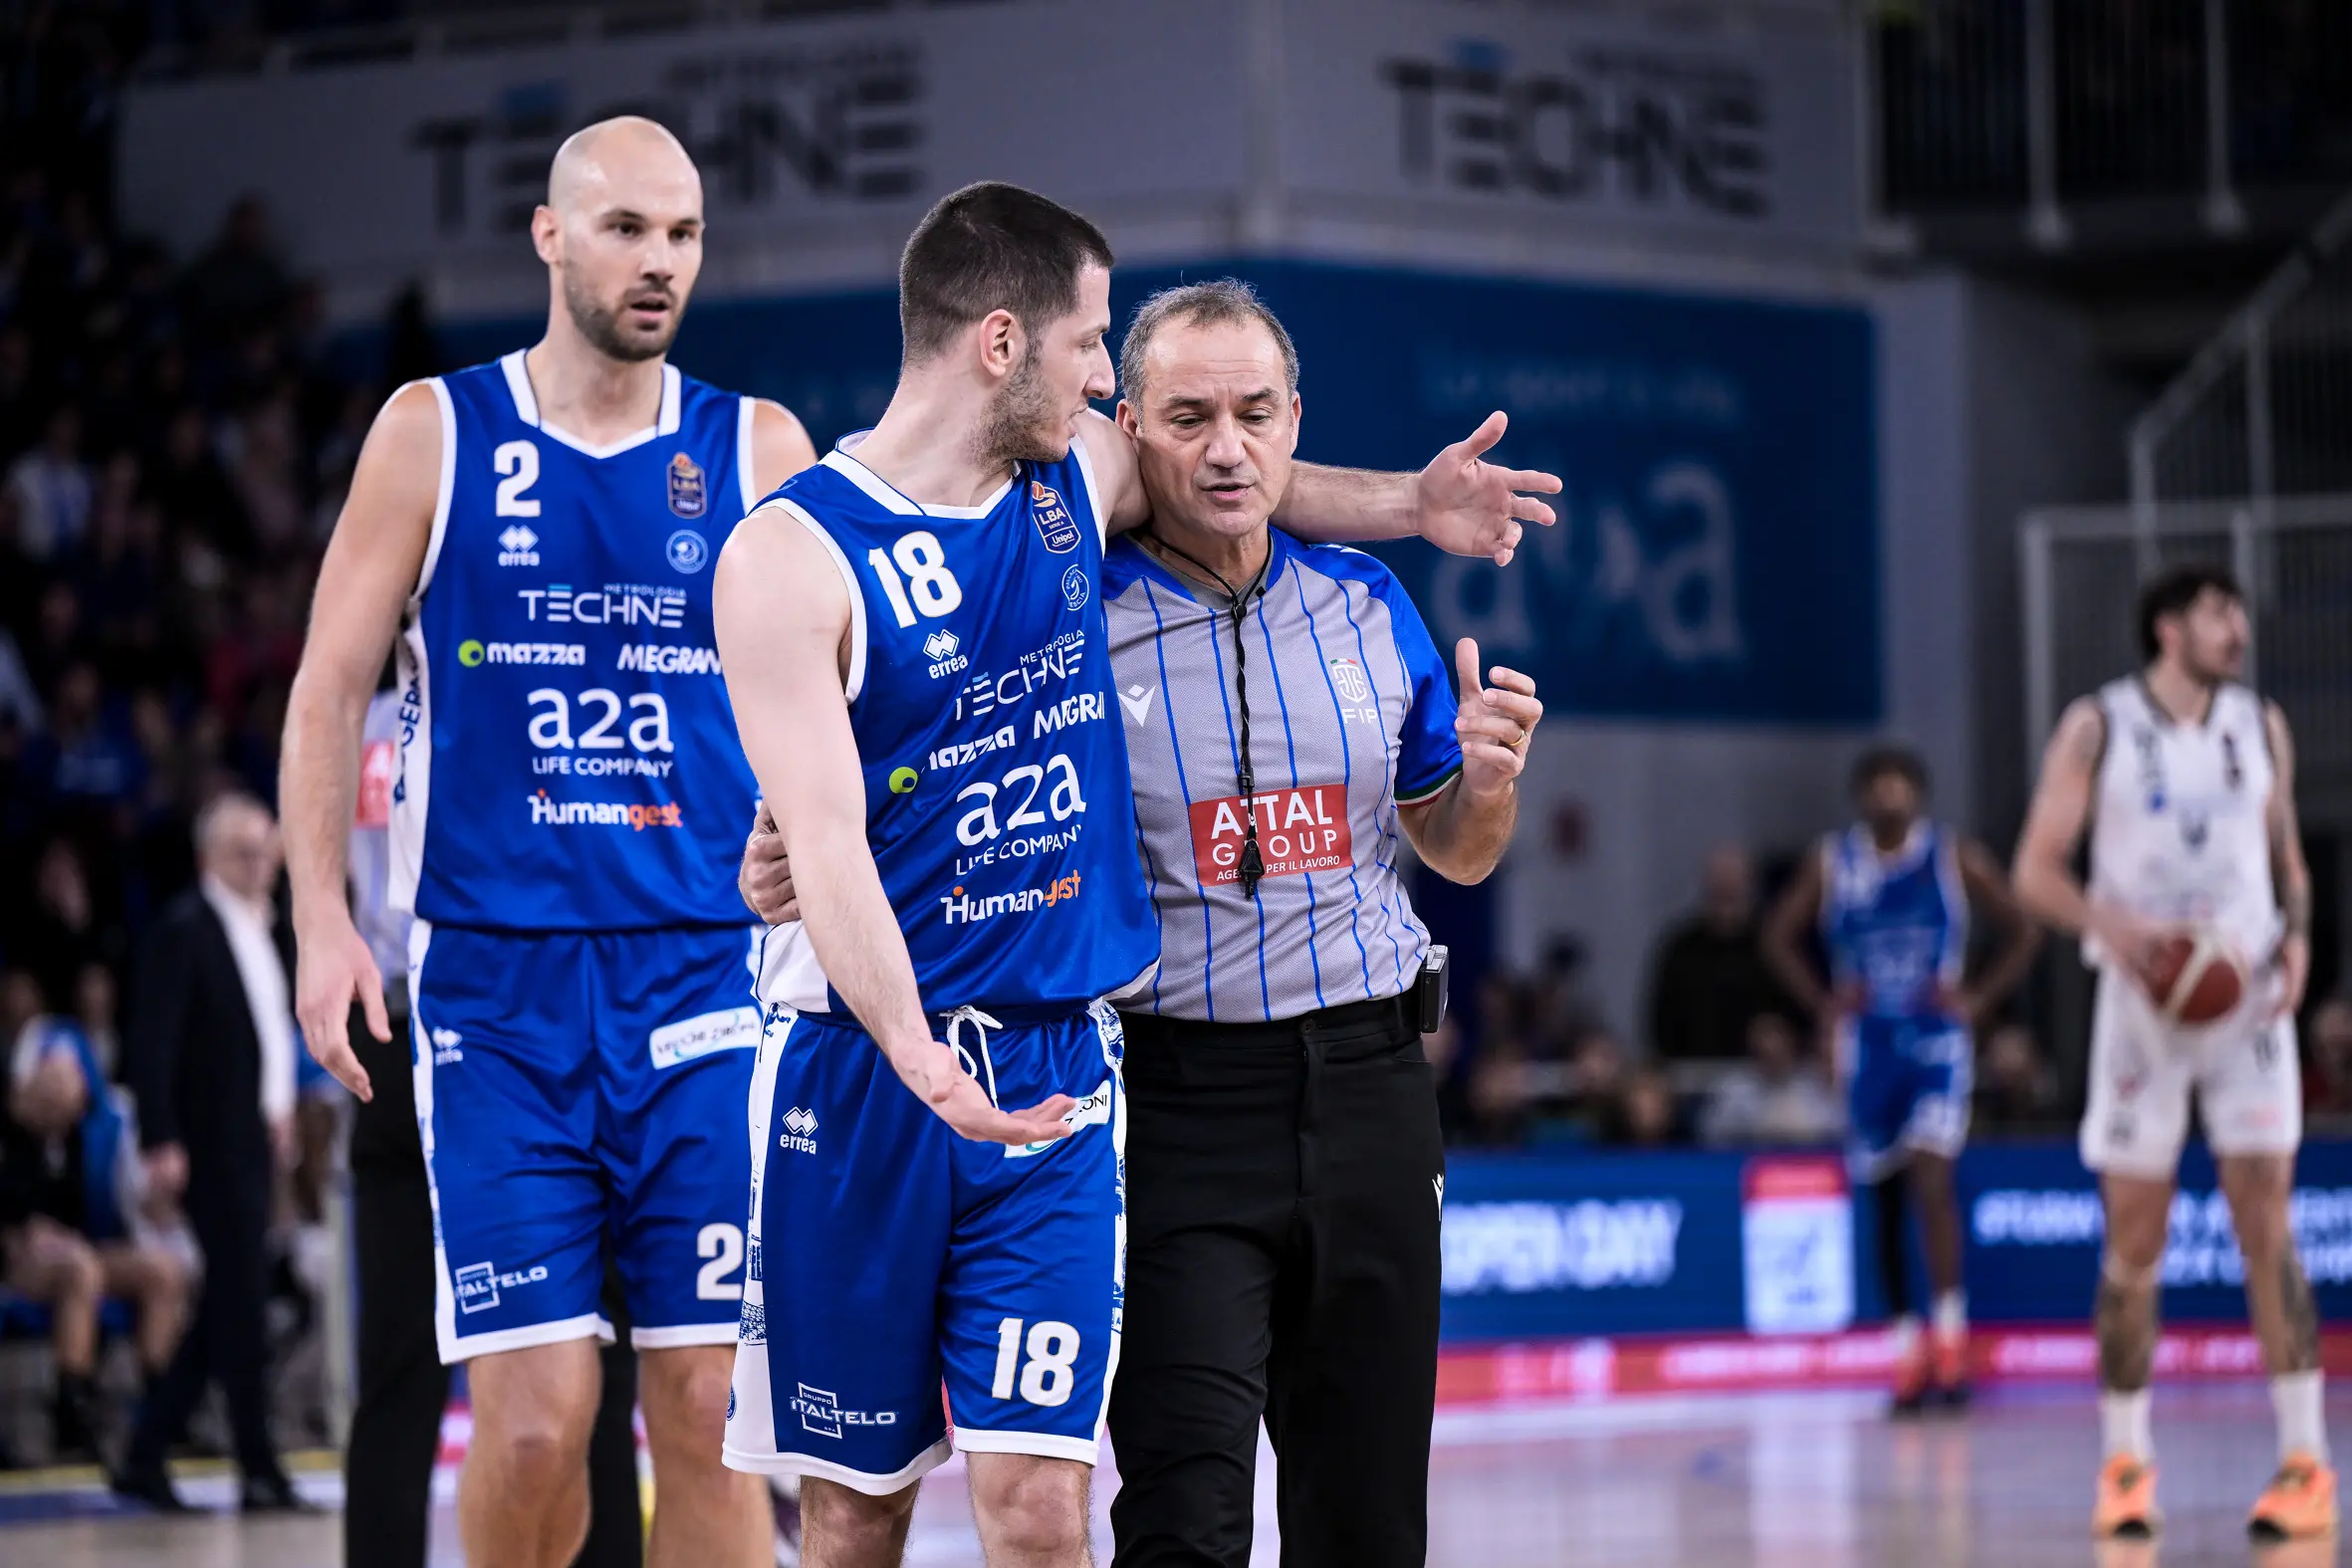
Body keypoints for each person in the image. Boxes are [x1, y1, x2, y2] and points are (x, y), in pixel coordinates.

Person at [714, 186, 1550, 1566]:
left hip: (1190, 1072)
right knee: (876, 1513)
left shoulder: (1156, 522)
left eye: (1254, 413)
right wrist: (824, 884)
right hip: (945, 1065)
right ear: (1005, 344)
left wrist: (1410, 507)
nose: (1114, 386)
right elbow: (830, 820)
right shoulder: (860, 548)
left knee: (1080, 1511)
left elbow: (1228, 480)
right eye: (1103, 356)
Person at [281, 117, 815, 1568]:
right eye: (630, 227)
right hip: (498, 998)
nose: (660, 261)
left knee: (708, 1403)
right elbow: (329, 685)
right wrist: (323, 923)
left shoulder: (756, 444)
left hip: (703, 979)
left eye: (685, 233)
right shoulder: (433, 429)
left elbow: (833, 701)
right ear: (551, 235)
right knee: (532, 1419)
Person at [2012, 563, 2330, 1540]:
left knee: (2265, 1223)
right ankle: (2124, 1464)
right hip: (2143, 1008)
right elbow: (2033, 872)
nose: (2235, 626)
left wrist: (2303, 940)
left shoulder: (2260, 723)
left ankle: (2304, 1462)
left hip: (2244, 1009)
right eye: (2214, 612)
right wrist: (2124, 928)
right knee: (2134, 1241)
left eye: (2237, 610)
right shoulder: (2097, 726)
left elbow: (2287, 862)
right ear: (2165, 629)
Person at [1762, 744, 2038, 1415]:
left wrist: (1978, 997)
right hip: (1869, 1044)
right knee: (1884, 1196)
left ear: (1918, 794)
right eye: (1877, 784)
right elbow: (1775, 936)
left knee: (1932, 1173)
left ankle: (1950, 1338)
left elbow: (2024, 929)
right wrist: (1825, 1003)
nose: (1889, 794)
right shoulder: (1834, 862)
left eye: (1900, 784)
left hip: (1936, 1039)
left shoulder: (1952, 856)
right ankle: (1905, 1347)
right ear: (1861, 796)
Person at [114, 791, 302, 1511]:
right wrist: (161, 1137)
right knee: (243, 1301)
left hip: (251, 1136)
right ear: (208, 858)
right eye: (242, 853)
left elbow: (263, 1034)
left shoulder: (262, 926)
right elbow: (153, 1040)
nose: (258, 865)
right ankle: (256, 1465)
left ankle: (145, 1448)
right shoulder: (185, 928)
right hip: (206, 1142)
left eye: (264, 851)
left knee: (228, 1302)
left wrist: (278, 1112)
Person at [2, 1001, 191, 1463]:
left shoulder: (85, 1134)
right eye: (55, 1090)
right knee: (80, 1270)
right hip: (16, 1256)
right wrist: (24, 1232)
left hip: (75, 1248)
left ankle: (161, 1408)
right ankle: (74, 1408)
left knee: (162, 1272)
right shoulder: (9, 1135)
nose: (67, 1102)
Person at [1646, 843, 1785, 1061]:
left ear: (1750, 882)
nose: (1726, 885)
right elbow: (1660, 1021)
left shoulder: (1774, 946)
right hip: (1692, 1079)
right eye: (1719, 877)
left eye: (1733, 877)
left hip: (1761, 1081)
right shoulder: (1681, 947)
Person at [1697, 1011, 1843, 1147]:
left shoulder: (1813, 1083)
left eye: (1778, 1052)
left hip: (1809, 1165)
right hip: (1747, 1163)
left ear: (1790, 1047)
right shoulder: (1734, 1089)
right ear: (1754, 1052)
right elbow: (1710, 1132)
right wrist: (1752, 1132)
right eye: (1765, 1054)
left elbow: (1838, 1127)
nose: (1773, 1059)